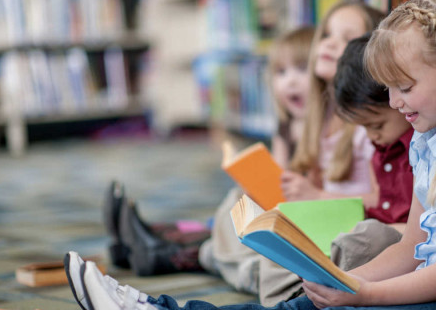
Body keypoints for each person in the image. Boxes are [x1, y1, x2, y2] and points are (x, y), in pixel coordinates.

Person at [69, 0, 436, 310]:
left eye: (403, 86)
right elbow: (412, 246)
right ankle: (157, 308)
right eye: (388, 89)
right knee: (308, 302)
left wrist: (363, 295)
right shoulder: (430, 135)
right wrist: (345, 280)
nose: (393, 102)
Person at [99, 26, 316, 280]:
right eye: (281, 72)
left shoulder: (325, 130)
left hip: (299, 219)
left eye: (302, 70)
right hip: (282, 211)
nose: (290, 81)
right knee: (231, 212)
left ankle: (159, 247)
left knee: (226, 228)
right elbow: (278, 179)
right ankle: (149, 238)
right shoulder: (286, 127)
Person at [258, 33, 414, 306]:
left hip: (383, 236)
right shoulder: (381, 144)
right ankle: (296, 288)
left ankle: (301, 290)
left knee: (363, 237)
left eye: (375, 126)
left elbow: (415, 227)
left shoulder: (416, 145)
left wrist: (318, 197)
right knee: (278, 229)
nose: (371, 135)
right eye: (326, 34)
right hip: (359, 225)